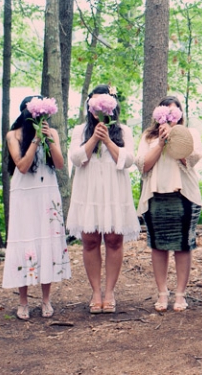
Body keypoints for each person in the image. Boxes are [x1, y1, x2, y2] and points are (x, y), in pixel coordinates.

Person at [68, 85, 140, 314]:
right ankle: (95, 292)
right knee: (89, 240)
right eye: (95, 104)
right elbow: (77, 158)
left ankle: (109, 292)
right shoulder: (80, 130)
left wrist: (108, 141)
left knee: (113, 240)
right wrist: (93, 139)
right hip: (88, 191)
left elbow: (128, 161)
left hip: (113, 191)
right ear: (90, 107)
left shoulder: (123, 131)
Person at [2, 96, 71, 320]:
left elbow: (60, 164)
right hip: (24, 194)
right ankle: (23, 302)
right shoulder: (13, 135)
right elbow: (21, 166)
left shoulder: (53, 134)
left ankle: (46, 300)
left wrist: (48, 139)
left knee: (46, 241)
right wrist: (34, 141)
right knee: (25, 242)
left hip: (47, 192)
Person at [136, 96, 202, 312]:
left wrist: (174, 137)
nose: (171, 116)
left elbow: (191, 161)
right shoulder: (149, 136)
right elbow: (143, 165)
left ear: (181, 114)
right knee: (158, 246)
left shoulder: (190, 133)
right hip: (156, 196)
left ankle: (181, 294)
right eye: (167, 112)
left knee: (183, 246)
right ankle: (162, 293)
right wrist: (161, 142)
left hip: (183, 195)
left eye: (175, 113)